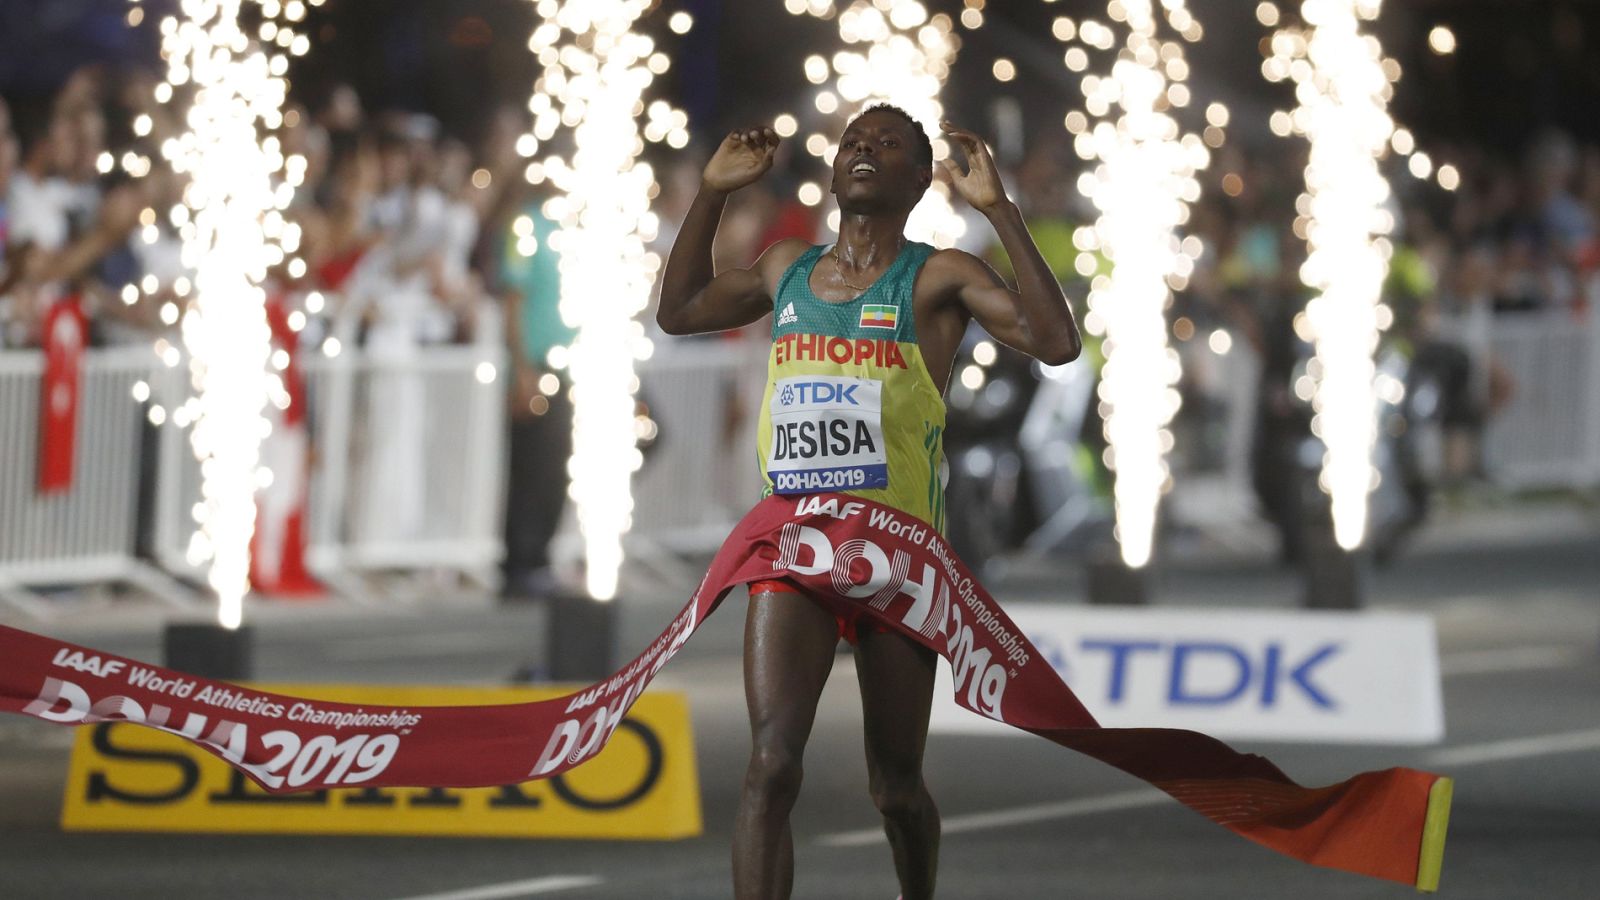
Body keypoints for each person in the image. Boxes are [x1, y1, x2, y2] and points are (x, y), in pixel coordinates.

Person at [657, 105, 1080, 900]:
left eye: (887, 144)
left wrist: (1000, 209)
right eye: (853, 140)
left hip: (898, 559)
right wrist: (710, 195)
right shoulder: (787, 266)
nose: (863, 150)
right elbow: (678, 313)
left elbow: (1056, 342)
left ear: (920, 180)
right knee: (772, 764)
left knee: (895, 788)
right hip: (795, 547)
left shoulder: (942, 276)